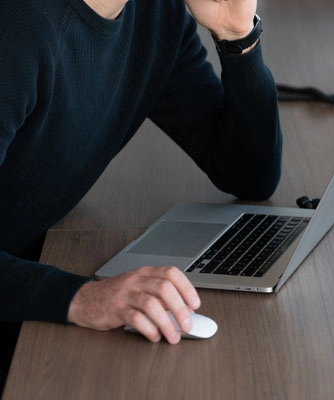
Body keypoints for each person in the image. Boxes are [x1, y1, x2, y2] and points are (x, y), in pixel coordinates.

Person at [0, 0, 281, 389]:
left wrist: (237, 35)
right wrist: (81, 299)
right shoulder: (17, 27)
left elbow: (249, 174)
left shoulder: (156, 15)